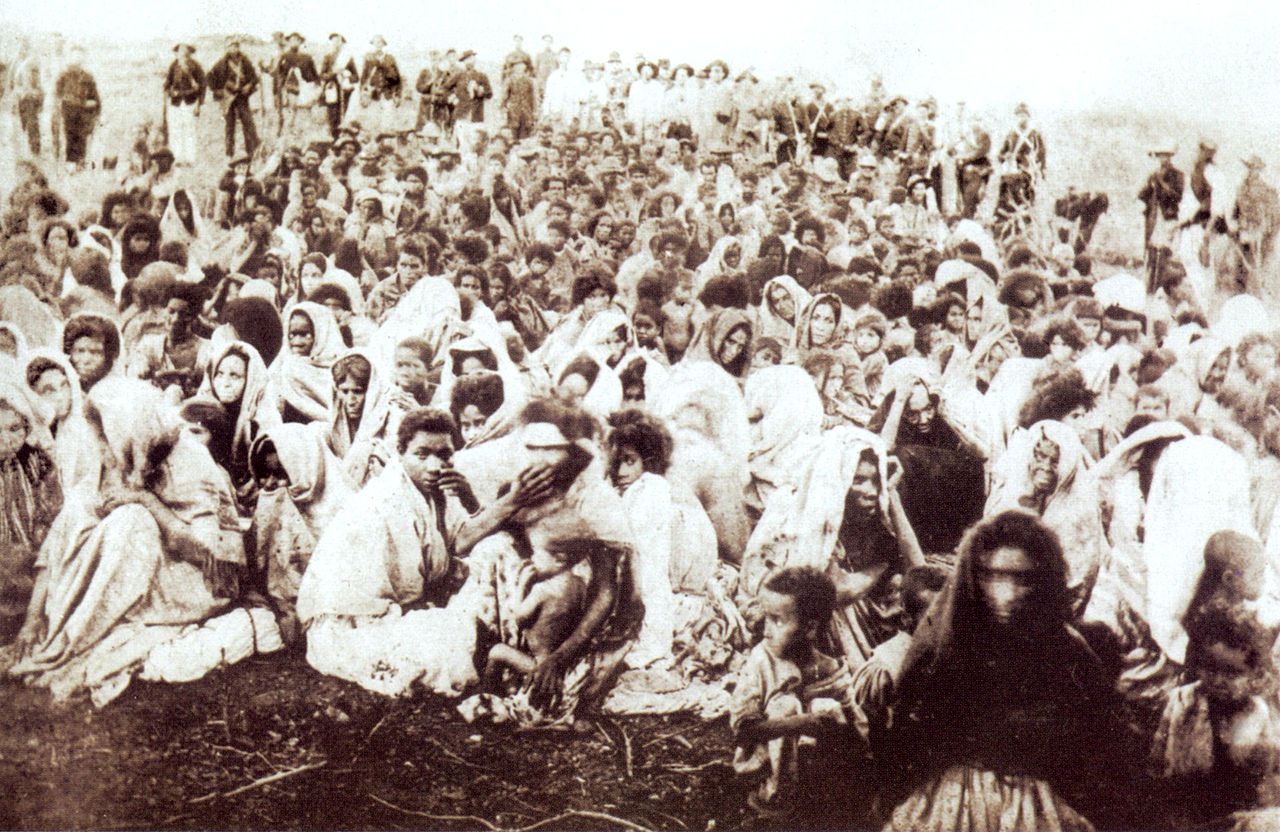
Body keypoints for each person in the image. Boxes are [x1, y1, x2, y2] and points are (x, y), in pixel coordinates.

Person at [883, 510, 1124, 832]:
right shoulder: (943, 643)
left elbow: (1100, 729)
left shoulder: (1067, 648)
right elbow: (906, 727)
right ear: (972, 576)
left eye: (1021, 578)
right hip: (952, 803)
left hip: (1039, 804)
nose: (1005, 594)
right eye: (992, 576)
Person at [730, 566, 859, 816]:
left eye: (776, 620)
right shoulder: (760, 662)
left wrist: (840, 727)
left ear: (810, 628)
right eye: (765, 617)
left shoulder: (830, 669)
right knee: (785, 705)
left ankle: (828, 796)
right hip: (764, 768)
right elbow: (743, 732)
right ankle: (775, 801)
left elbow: (856, 728)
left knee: (829, 708)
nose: (765, 630)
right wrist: (800, 723)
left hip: (815, 770)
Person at [0, 382, 63, 644]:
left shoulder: (35, 460)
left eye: (14, 429)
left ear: (27, 428)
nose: (5, 439)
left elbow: (52, 514)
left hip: (33, 565)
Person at [1138, 146, 1185, 293]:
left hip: (1167, 217)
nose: (1162, 158)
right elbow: (1143, 195)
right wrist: (1148, 187)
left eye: (1165, 155)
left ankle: (1160, 286)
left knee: (1164, 251)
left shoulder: (1177, 175)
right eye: (1159, 156)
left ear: (1170, 157)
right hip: (1153, 216)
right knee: (1151, 250)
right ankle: (1150, 284)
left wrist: (1162, 184)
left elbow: (1177, 196)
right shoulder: (1154, 174)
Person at [53, 46, 100, 167]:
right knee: (70, 138)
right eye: (75, 55)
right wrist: (82, 103)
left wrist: (95, 108)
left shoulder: (88, 77)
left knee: (82, 139)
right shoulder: (64, 75)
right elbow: (59, 96)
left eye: (80, 55)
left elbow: (95, 98)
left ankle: (80, 163)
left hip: (84, 116)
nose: (78, 58)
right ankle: (71, 164)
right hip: (69, 114)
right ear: (71, 57)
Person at [162, 44, 205, 166]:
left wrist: (199, 104)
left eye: (185, 52)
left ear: (189, 53)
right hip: (175, 103)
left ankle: (190, 159)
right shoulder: (174, 66)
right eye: (180, 52)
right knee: (176, 129)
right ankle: (177, 158)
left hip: (190, 102)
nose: (182, 55)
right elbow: (167, 84)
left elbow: (202, 86)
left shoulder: (196, 67)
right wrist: (171, 92)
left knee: (190, 130)